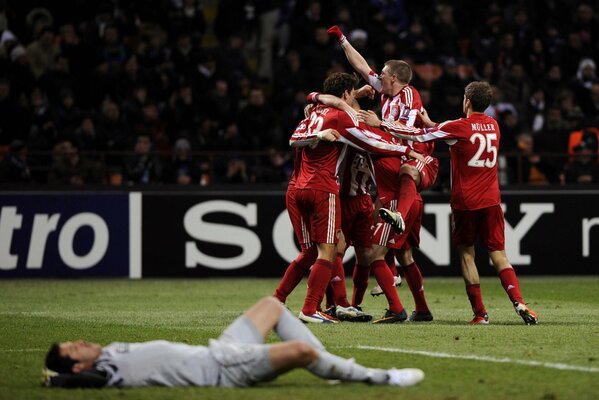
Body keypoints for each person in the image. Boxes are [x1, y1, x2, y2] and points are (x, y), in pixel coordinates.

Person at [372, 81, 539, 325]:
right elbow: (444, 131)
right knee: (499, 255)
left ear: (467, 101)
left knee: (467, 255)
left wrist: (382, 124)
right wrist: (431, 123)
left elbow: (418, 135)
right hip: (492, 199)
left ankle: (480, 313)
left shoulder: (458, 126)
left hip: (465, 202)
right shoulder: (494, 125)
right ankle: (518, 301)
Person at [42, 297, 424, 388]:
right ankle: (380, 377)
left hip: (217, 349)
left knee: (273, 305)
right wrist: (56, 380)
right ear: (78, 366)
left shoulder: (105, 355)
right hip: (222, 369)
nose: (80, 342)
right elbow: (79, 381)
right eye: (73, 349)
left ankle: (330, 367)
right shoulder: (102, 372)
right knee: (303, 352)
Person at [288, 73, 421, 324]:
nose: (356, 112)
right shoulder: (344, 120)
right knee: (338, 251)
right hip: (343, 195)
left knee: (354, 254)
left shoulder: (340, 120)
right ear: (348, 96)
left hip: (352, 197)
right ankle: (338, 304)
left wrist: (324, 101)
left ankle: (348, 304)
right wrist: (407, 149)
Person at [328, 25, 435, 322]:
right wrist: (342, 39)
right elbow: (362, 67)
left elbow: (411, 132)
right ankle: (422, 309)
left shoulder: (409, 96)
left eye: (383, 76)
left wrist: (379, 124)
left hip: (404, 166)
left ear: (395, 79)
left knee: (374, 254)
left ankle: (396, 309)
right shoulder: (385, 92)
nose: (377, 79)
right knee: (405, 254)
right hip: (393, 173)